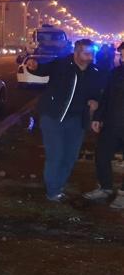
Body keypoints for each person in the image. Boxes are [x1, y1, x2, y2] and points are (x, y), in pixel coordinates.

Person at [25, 39, 106, 201]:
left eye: (92, 53)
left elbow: (97, 94)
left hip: (77, 121)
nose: (91, 56)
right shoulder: (62, 65)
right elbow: (42, 68)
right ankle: (53, 191)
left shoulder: (95, 71)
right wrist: (34, 65)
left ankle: (58, 185)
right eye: (87, 53)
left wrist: (94, 102)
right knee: (56, 154)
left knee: (70, 155)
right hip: (54, 116)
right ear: (76, 53)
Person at [84, 42, 124, 209]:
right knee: (101, 155)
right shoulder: (116, 73)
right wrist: (97, 117)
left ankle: (122, 194)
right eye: (122, 54)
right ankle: (105, 187)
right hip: (112, 124)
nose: (123, 57)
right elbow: (106, 97)